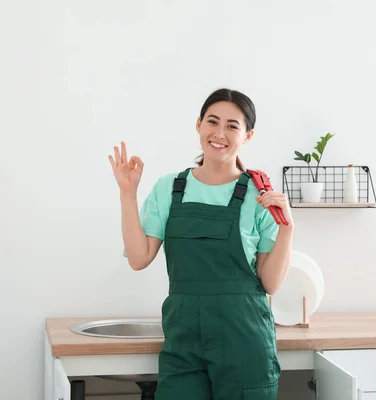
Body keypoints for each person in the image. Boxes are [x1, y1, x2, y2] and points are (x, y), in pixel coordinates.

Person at [108, 88, 294, 399]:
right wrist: (128, 194)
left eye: (233, 126)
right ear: (199, 126)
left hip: (244, 341)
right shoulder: (170, 188)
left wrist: (287, 229)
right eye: (212, 121)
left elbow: (271, 283)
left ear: (247, 136)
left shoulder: (259, 195)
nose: (220, 133)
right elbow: (139, 258)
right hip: (184, 343)